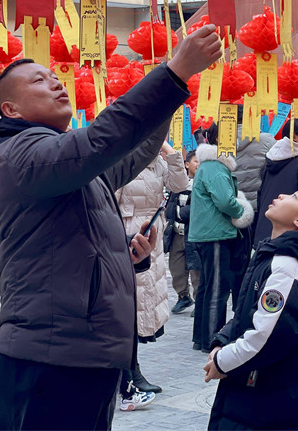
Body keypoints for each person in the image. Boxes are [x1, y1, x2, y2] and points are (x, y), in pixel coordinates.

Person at [0, 25, 221, 431]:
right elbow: (101, 141)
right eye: (39, 81)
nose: (57, 85)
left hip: (88, 352)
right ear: (11, 110)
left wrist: (125, 254)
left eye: (56, 78)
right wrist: (173, 72)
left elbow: (130, 155)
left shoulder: (65, 164)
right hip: (48, 356)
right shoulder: (20, 153)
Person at [204, 186, 298, 430]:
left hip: (273, 405)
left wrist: (222, 361)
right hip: (257, 399)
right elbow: (245, 315)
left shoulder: (287, 269)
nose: (282, 195)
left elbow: (265, 339)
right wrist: (222, 340)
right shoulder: (271, 256)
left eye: (295, 197)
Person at [114, 141, 188, 400]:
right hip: (130, 234)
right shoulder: (123, 158)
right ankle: (127, 374)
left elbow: (180, 185)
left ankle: (132, 371)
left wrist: (170, 152)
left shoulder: (156, 160)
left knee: (141, 304)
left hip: (152, 233)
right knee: (128, 305)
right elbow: (110, 201)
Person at [188, 124, 254, 352]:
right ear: (218, 138)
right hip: (215, 233)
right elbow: (226, 202)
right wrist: (242, 212)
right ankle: (211, 341)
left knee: (207, 287)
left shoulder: (208, 166)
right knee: (217, 289)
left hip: (207, 234)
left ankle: (201, 338)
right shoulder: (215, 166)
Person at [253, 119, 298, 249]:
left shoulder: (269, 163)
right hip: (291, 236)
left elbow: (260, 197)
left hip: (264, 233)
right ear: (296, 137)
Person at [165, 150, 201, 315]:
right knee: (176, 267)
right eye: (195, 161)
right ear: (186, 165)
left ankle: (199, 299)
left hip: (193, 232)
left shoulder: (201, 183)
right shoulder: (178, 182)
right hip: (176, 232)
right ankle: (183, 296)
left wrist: (183, 213)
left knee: (196, 268)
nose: (199, 164)